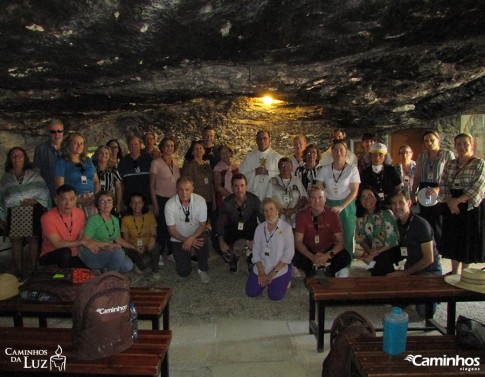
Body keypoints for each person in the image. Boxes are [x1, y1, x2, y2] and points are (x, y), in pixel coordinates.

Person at [389, 189, 442, 318]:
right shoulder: (396, 224)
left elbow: (428, 259)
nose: (397, 207)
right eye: (393, 203)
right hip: (411, 269)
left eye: (401, 202)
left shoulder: (421, 224)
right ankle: (414, 295)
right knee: (394, 303)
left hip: (430, 271)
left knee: (424, 313)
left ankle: (434, 296)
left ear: (409, 203)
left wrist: (404, 273)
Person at [439, 133, 485, 274]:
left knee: (467, 240)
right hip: (452, 205)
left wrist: (458, 201)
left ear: (472, 145)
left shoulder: (479, 163)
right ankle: (454, 271)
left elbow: (478, 186)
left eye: (465, 143)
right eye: (458, 144)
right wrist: (451, 202)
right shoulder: (450, 164)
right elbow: (443, 184)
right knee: (454, 239)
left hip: (470, 205)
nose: (462, 147)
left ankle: (466, 273)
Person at [0, 147, 50, 277]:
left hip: (32, 210)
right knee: (16, 240)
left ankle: (34, 268)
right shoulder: (6, 178)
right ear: (10, 159)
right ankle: (18, 270)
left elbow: (43, 191)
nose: (17, 158)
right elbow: (2, 197)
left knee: (33, 239)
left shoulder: (34, 175)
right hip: (14, 212)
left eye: (20, 155)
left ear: (25, 158)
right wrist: (2, 217)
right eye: (14, 156)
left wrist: (35, 201)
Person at [294, 184, 351, 277]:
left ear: (325, 199)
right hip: (310, 251)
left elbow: (340, 242)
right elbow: (298, 241)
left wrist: (327, 256)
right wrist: (312, 257)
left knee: (345, 257)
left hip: (328, 250)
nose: (317, 201)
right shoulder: (302, 215)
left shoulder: (333, 214)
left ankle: (329, 270)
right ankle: (312, 268)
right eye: (313, 198)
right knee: (294, 255)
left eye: (320, 197)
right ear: (309, 199)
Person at [412, 130, 454, 252]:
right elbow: (418, 176)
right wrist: (413, 192)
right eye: (426, 141)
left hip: (441, 188)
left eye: (432, 140)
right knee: (425, 220)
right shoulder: (422, 155)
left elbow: (451, 176)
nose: (429, 143)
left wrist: (438, 188)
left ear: (438, 139)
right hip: (424, 188)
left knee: (438, 221)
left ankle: (438, 248)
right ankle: (426, 247)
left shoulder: (447, 154)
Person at [316, 140, 360, 258]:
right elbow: (318, 187)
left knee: (347, 234)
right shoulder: (324, 169)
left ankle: (346, 263)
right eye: (335, 150)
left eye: (341, 150)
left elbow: (354, 191)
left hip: (346, 205)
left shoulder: (352, 169)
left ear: (346, 152)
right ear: (331, 152)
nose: (338, 152)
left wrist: (342, 206)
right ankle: (331, 261)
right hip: (328, 204)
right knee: (329, 235)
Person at [246, 198, 294, 301]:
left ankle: (288, 275)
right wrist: (261, 271)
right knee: (251, 292)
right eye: (265, 210)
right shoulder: (259, 228)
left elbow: (289, 254)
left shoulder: (286, 228)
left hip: (279, 268)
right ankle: (268, 281)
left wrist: (272, 273)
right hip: (262, 266)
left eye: (271, 209)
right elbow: (255, 251)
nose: (269, 213)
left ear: (277, 210)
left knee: (275, 296)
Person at [164, 177, 210, 283]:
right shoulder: (169, 205)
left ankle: (202, 269)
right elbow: (171, 230)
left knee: (204, 240)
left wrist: (191, 238)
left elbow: (203, 225)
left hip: (196, 235)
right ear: (176, 189)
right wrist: (186, 240)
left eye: (187, 189)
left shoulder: (201, 201)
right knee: (183, 272)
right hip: (178, 238)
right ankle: (185, 255)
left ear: (193, 189)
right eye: (180, 189)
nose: (184, 193)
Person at [217, 173, 264, 272]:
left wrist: (259, 239)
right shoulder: (227, 202)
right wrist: (221, 241)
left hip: (250, 230)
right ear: (232, 188)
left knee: (263, 239)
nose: (239, 189)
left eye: (242, 186)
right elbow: (220, 223)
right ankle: (234, 257)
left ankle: (252, 259)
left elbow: (263, 220)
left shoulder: (254, 200)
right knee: (217, 239)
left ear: (246, 186)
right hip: (234, 230)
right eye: (236, 186)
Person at [79, 191, 134, 273]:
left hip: (110, 252)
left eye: (109, 200)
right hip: (94, 252)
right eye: (102, 201)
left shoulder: (115, 220)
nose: (106, 204)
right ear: (98, 204)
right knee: (119, 251)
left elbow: (118, 239)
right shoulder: (94, 220)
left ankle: (106, 269)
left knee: (128, 265)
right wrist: (106, 245)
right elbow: (85, 240)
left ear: (113, 203)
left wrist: (134, 247)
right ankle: (110, 276)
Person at [39, 184, 89, 268]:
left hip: (72, 255)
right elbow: (57, 244)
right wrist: (81, 242)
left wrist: (102, 244)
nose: (67, 203)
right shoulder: (47, 217)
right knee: (65, 252)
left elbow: (82, 237)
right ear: (56, 200)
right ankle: (61, 279)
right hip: (50, 255)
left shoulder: (80, 213)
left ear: (76, 200)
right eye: (63, 199)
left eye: (71, 199)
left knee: (87, 274)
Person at [356, 186, 401, 276]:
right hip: (374, 251)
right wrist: (370, 252)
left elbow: (392, 241)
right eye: (363, 197)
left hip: (392, 249)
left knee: (382, 261)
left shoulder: (386, 214)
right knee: (383, 264)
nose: (367, 199)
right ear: (360, 201)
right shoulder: (361, 218)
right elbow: (360, 239)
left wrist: (373, 254)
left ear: (376, 198)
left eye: (370, 196)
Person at [150, 137, 180, 265]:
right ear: (162, 147)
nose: (169, 148)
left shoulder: (176, 162)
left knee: (173, 226)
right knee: (162, 227)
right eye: (167, 145)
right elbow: (151, 185)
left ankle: (171, 253)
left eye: (172, 146)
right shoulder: (156, 163)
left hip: (174, 200)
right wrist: (155, 203)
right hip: (161, 199)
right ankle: (160, 253)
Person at [181, 140, 217, 248]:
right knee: (196, 227)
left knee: (204, 226)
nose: (199, 150)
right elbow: (186, 186)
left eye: (201, 148)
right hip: (196, 201)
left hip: (209, 199)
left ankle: (203, 248)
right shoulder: (190, 166)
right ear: (192, 152)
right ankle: (193, 250)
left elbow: (211, 183)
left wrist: (214, 200)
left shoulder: (207, 165)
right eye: (196, 149)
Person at [55, 132, 99, 218]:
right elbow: (59, 187)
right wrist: (77, 200)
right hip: (73, 200)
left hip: (92, 199)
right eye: (76, 143)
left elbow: (96, 181)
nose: (79, 146)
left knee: (92, 228)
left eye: (81, 143)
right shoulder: (62, 162)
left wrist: (95, 196)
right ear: (69, 144)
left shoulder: (88, 161)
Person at [239, 130, 282, 200]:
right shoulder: (249, 157)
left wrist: (268, 173)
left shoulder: (277, 157)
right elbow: (241, 176)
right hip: (254, 195)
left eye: (265, 138)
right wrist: (254, 173)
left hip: (272, 196)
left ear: (270, 140)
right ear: (256, 140)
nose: (262, 141)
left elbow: (283, 176)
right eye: (259, 138)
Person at [121, 193, 158, 273]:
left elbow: (154, 233)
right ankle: (138, 262)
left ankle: (155, 270)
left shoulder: (149, 216)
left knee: (156, 247)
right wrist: (135, 248)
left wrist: (153, 238)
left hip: (147, 245)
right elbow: (125, 240)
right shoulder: (126, 219)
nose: (137, 205)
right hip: (133, 247)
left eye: (139, 202)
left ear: (143, 204)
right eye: (134, 202)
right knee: (144, 262)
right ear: (130, 205)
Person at [265, 157, 307, 228]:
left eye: (287, 165)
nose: (285, 168)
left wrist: (294, 210)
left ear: (292, 167)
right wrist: (280, 210)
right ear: (279, 168)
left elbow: (303, 198)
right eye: (283, 166)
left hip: (295, 219)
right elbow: (268, 200)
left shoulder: (297, 180)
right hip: (278, 218)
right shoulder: (272, 181)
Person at [360, 142, 401, 208]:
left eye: (380, 155)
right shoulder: (366, 172)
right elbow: (362, 191)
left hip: (390, 205)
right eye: (374, 155)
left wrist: (393, 200)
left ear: (385, 157)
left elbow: (398, 187)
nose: (377, 157)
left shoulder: (391, 170)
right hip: (372, 206)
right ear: (370, 156)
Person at [118, 135, 152, 208]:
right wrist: (121, 201)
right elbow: (120, 183)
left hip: (147, 199)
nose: (133, 147)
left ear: (140, 145)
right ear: (128, 146)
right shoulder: (123, 161)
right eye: (131, 145)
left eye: (136, 144)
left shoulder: (148, 160)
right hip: (129, 201)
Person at [33, 119, 64, 200]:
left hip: (67, 192)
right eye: (53, 132)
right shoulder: (41, 150)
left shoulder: (68, 148)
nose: (57, 135)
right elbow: (37, 172)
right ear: (49, 133)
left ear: (63, 132)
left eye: (59, 131)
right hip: (49, 192)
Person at [92, 145, 123, 216]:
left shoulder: (113, 169)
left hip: (110, 203)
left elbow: (118, 187)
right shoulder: (92, 169)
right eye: (101, 153)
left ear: (109, 156)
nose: (104, 155)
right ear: (97, 155)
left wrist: (119, 203)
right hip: (96, 202)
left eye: (106, 153)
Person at [213, 144, 239, 209]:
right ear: (219, 156)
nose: (225, 155)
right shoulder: (217, 168)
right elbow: (217, 187)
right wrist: (231, 198)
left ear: (230, 153)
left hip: (237, 197)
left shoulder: (236, 166)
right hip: (223, 199)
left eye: (226, 152)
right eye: (222, 153)